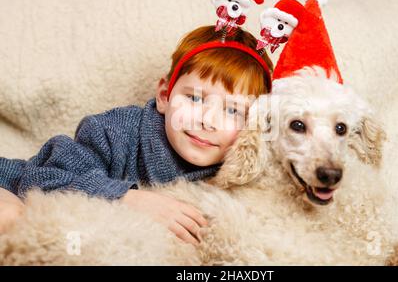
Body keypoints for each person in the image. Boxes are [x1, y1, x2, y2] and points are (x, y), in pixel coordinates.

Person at [0, 25, 273, 245]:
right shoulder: (115, 131)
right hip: (14, 184)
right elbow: (43, 179)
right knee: (13, 218)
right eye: (195, 99)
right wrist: (128, 198)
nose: (207, 120)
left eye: (234, 112)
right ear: (165, 95)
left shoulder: (241, 168)